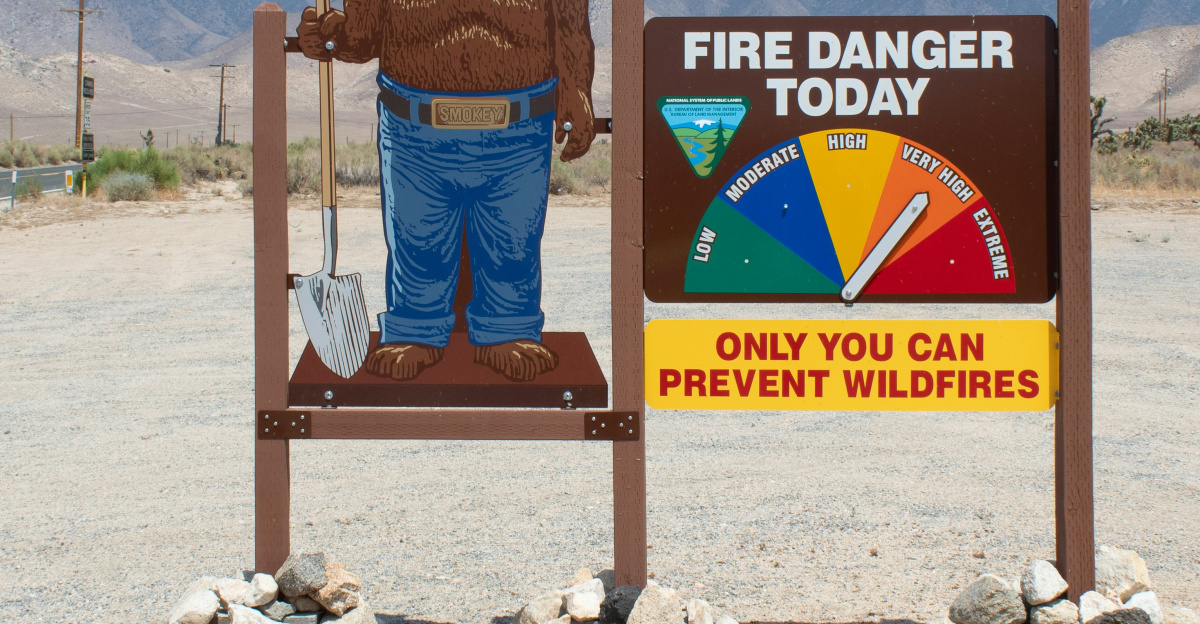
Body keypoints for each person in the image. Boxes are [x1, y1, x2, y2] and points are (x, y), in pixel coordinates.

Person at [297, 0, 596, 382]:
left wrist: (577, 87)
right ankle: (414, 330)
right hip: (414, 128)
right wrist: (332, 37)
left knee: (513, 241)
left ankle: (509, 329)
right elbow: (365, 36)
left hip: (519, 126)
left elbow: (569, 18)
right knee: (417, 238)